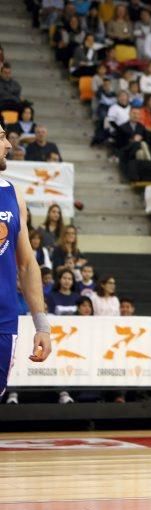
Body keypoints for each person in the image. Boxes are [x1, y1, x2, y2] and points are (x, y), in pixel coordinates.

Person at [0, 124, 52, 404]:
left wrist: (41, 325)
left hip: (3, 322)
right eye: (1, 138)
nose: (8, 145)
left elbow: (28, 264)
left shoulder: (13, 194)